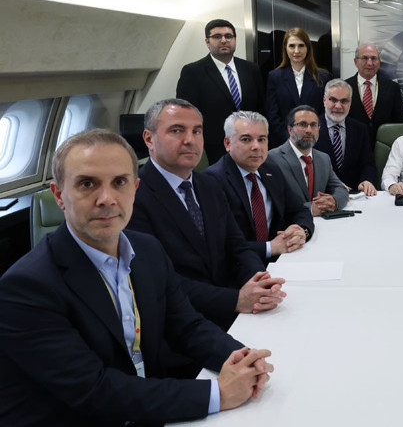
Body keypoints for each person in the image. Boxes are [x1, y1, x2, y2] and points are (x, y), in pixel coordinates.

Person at [0, 129, 274, 425]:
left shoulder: (147, 249)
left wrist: (241, 358)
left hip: (143, 403)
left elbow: (187, 326)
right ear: (59, 195)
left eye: (119, 182)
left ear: (135, 188)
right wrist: (218, 393)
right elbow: (95, 390)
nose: (107, 199)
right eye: (87, 184)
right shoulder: (27, 287)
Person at [128, 99, 285, 331]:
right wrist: (235, 300)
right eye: (177, 130)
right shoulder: (134, 196)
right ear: (149, 139)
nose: (190, 140)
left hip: (233, 311)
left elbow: (237, 246)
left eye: (197, 131)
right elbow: (158, 280)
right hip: (178, 325)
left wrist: (260, 281)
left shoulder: (209, 185)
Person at [205, 111, 314, 263]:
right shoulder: (211, 181)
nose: (256, 146)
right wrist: (270, 248)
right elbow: (220, 244)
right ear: (228, 143)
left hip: (282, 261)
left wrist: (301, 230)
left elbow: (299, 211)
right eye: (246, 139)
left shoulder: (271, 170)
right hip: (238, 268)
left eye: (262, 139)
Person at [177, 19, 265, 164]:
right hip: (214, 147)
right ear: (207, 42)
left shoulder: (251, 69)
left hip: (250, 142)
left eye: (228, 36)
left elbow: (261, 107)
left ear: (234, 40)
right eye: (217, 36)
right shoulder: (193, 72)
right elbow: (187, 114)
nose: (224, 40)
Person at [266, 105, 349, 215]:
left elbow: (340, 189)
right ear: (290, 129)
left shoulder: (323, 158)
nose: (309, 130)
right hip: (291, 223)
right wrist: (310, 209)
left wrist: (333, 201)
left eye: (314, 125)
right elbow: (274, 202)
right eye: (303, 124)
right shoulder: (272, 158)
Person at [265, 27, 331, 148]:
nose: (296, 51)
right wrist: (290, 138)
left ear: (308, 48)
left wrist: (312, 134)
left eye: (301, 45)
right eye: (292, 46)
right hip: (284, 142)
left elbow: (325, 111)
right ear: (285, 48)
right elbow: (272, 114)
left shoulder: (322, 76)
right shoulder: (275, 77)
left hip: (315, 141)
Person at [312, 78, 378, 196]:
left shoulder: (360, 129)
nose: (338, 106)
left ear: (350, 103)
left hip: (355, 195)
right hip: (322, 195)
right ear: (324, 100)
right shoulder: (310, 129)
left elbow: (368, 164)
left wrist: (367, 180)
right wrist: (333, 185)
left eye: (344, 101)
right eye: (333, 100)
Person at [345, 43, 403, 142]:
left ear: (379, 62)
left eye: (373, 58)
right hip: (354, 144)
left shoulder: (392, 88)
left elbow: (398, 123)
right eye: (365, 58)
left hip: (384, 146)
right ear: (356, 62)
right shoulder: (344, 87)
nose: (370, 63)